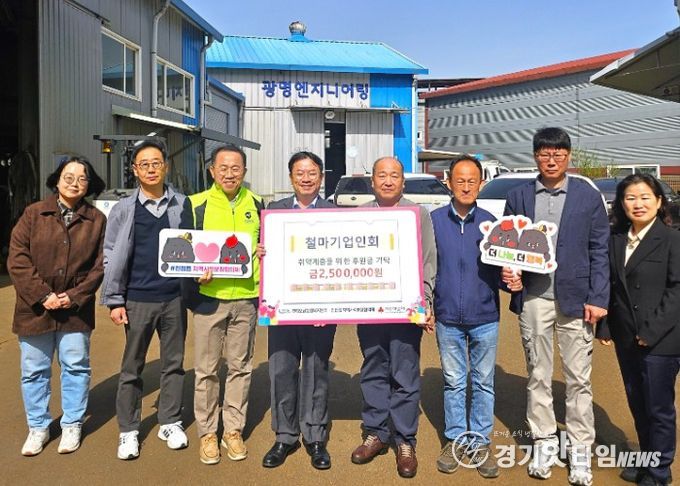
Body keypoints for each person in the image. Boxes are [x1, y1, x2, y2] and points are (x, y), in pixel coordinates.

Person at [502, 127, 609, 486]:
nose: (551, 160)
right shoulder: (519, 196)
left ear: (568, 156)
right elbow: (509, 246)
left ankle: (580, 451)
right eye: (545, 154)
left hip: (577, 300)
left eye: (558, 154)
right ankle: (544, 442)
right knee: (538, 374)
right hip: (534, 297)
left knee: (579, 379)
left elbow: (599, 249)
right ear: (535, 156)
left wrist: (598, 297)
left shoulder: (587, 196)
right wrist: (511, 274)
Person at [8, 156, 106, 456]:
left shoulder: (96, 219)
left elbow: (101, 265)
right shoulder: (34, 213)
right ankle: (38, 426)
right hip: (34, 308)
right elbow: (18, 258)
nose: (74, 183)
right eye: (68, 176)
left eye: (82, 178)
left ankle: (72, 423)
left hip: (75, 310)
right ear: (57, 179)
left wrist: (74, 296)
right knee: (34, 370)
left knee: (76, 367)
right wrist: (42, 294)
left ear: (89, 184)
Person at [101, 140, 193, 460]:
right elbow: (110, 254)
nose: (151, 169)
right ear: (135, 170)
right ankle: (128, 429)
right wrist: (115, 300)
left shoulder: (182, 204)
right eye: (144, 164)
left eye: (156, 163)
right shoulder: (123, 209)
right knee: (132, 367)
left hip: (174, 298)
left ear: (166, 166)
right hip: (137, 299)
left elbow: (194, 246)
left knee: (174, 364)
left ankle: (170, 421)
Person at [431, 155, 522, 478]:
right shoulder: (433, 222)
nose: (466, 186)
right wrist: (426, 306)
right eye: (460, 180)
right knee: (454, 382)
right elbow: (425, 267)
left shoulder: (492, 225)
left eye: (472, 181)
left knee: (483, 382)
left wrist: (511, 280)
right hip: (447, 318)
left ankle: (480, 442)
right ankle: (456, 438)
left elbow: (503, 269)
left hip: (484, 316)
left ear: (481, 184)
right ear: (448, 183)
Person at [350, 156, 436, 479]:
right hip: (370, 310)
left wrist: (425, 303)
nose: (388, 181)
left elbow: (428, 262)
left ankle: (404, 440)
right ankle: (375, 433)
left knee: (405, 374)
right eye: (382, 175)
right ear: (372, 181)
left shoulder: (417, 214)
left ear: (402, 181)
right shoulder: (358, 216)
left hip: (406, 311)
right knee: (373, 369)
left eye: (394, 176)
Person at [597, 174, 680, 486]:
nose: (638, 204)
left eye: (645, 197)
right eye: (630, 198)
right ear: (621, 203)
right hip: (626, 337)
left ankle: (659, 472)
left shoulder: (672, 239)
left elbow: (677, 290)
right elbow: (612, 287)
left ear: (659, 202)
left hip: (661, 340)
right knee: (638, 404)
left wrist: (651, 330)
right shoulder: (616, 239)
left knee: (658, 409)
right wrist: (606, 326)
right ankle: (647, 462)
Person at [261, 151, 337, 470]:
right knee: (281, 370)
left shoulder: (336, 214)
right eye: (299, 173)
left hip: (320, 309)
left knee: (316, 370)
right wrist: (260, 251)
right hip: (282, 306)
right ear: (291, 177)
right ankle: (285, 435)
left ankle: (315, 435)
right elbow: (261, 256)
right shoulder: (273, 212)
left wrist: (329, 304)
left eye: (312, 173)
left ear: (321, 177)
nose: (306, 178)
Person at [189, 144, 263, 465]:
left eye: (236, 168)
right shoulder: (196, 205)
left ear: (244, 171)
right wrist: (195, 272)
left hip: (246, 298)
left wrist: (264, 250)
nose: (229, 174)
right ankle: (207, 432)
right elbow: (184, 251)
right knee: (206, 370)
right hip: (210, 300)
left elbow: (265, 244)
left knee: (240, 367)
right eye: (223, 168)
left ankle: (232, 430)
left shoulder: (257, 203)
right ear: (212, 171)